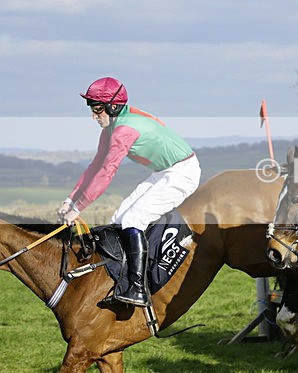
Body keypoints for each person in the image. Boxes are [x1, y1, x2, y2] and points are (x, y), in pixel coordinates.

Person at [58, 77, 201, 306]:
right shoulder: (111, 128)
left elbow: (107, 172)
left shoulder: (122, 131)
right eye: (92, 109)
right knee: (118, 219)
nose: (94, 116)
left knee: (134, 219)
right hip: (164, 172)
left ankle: (138, 289)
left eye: (97, 109)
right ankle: (120, 281)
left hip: (182, 172)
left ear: (113, 107)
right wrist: (70, 200)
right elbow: (95, 166)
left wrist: (78, 208)